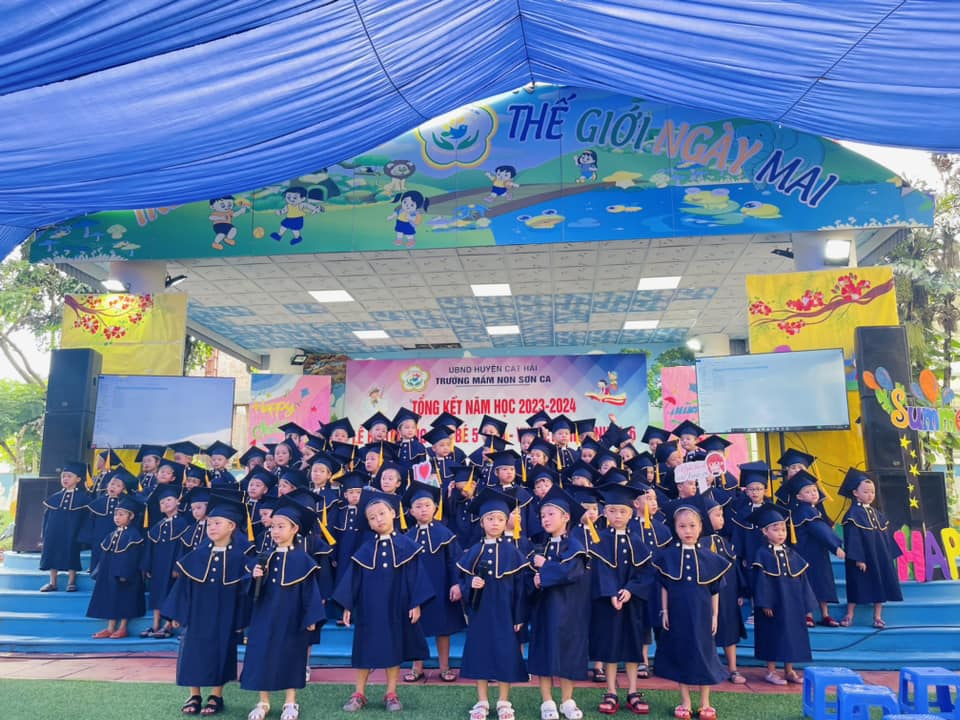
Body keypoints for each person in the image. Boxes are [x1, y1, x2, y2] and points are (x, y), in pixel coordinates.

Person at [333, 489, 434, 713]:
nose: (378, 519)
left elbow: (416, 577)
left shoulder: (408, 546)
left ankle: (391, 693)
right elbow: (353, 579)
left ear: (393, 513)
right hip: (368, 608)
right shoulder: (365, 549)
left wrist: (416, 602)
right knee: (364, 648)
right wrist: (348, 605)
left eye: (382, 513)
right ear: (368, 523)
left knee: (393, 646)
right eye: (372, 517)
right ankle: (359, 693)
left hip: (397, 606)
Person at [162, 494, 253, 716]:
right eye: (210, 523)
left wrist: (241, 620)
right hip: (197, 614)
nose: (211, 527)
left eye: (217, 523)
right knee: (193, 651)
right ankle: (194, 695)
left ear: (231, 526)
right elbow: (183, 587)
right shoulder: (197, 555)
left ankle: (216, 696)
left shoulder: (241, 559)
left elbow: (244, 593)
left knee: (221, 652)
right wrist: (178, 614)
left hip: (225, 615)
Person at [240, 497, 327, 720]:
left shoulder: (303, 560)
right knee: (262, 654)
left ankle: (290, 702)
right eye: (273, 527)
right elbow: (249, 589)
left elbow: (310, 592)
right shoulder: (264, 557)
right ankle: (263, 702)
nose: (275, 531)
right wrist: (254, 577)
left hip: (292, 616)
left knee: (292, 656)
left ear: (294, 529)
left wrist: (311, 618)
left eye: (281, 526)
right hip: (264, 615)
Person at [457, 488, 531, 720]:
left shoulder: (513, 552)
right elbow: (462, 582)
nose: (495, 523)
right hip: (481, 613)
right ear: (482, 522)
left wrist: (519, 616)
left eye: (500, 518)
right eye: (490, 519)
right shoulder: (474, 551)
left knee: (505, 654)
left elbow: (521, 588)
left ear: (506, 521)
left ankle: (503, 701)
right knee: (481, 653)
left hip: (506, 613)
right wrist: (471, 584)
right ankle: (482, 701)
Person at [652, 504, 731, 720]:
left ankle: (705, 702)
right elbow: (665, 587)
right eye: (682, 526)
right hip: (678, 615)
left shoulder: (711, 558)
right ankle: (685, 701)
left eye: (692, 526)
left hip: (703, 615)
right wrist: (665, 611)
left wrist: (714, 615)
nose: (688, 530)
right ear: (675, 528)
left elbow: (715, 591)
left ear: (700, 527)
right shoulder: (668, 557)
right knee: (682, 654)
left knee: (705, 655)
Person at [528, 486, 591, 720]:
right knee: (545, 654)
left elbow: (570, 573)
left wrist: (545, 568)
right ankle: (547, 701)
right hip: (545, 610)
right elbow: (529, 578)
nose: (545, 519)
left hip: (570, 610)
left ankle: (567, 701)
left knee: (568, 655)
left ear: (566, 517)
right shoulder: (539, 547)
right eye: (542, 515)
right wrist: (534, 582)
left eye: (551, 514)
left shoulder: (574, 546)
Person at [590, 484, 653, 716]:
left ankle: (633, 691)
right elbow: (600, 571)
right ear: (605, 512)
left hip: (632, 603)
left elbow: (646, 572)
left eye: (623, 511)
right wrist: (612, 594)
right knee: (611, 646)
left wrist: (630, 590)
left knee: (633, 645)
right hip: (608, 603)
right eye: (613, 511)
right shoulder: (600, 541)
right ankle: (611, 691)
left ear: (631, 512)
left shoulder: (637, 541)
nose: (618, 516)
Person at [402, 480, 466, 683]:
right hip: (416, 590)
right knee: (416, 627)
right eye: (418, 506)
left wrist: (456, 583)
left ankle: (444, 667)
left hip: (441, 587)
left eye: (427, 505)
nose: (423, 509)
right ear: (411, 511)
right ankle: (417, 667)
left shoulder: (445, 534)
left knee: (443, 629)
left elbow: (454, 561)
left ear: (435, 508)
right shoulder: (407, 537)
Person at [748, 503, 817, 685]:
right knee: (772, 635)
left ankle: (789, 670)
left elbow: (802, 580)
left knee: (791, 636)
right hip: (774, 605)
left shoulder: (791, 553)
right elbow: (761, 582)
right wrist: (764, 603)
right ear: (765, 531)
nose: (781, 533)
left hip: (792, 604)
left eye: (783, 530)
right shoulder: (762, 554)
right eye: (776, 529)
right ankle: (771, 671)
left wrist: (807, 604)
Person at [838, 468, 903, 629]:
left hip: (879, 557)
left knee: (880, 584)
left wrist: (889, 554)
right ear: (855, 493)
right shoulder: (853, 514)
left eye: (872, 492)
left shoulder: (877, 514)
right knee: (856, 584)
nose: (870, 495)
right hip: (863, 558)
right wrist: (858, 558)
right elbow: (853, 538)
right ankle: (850, 614)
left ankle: (877, 616)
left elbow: (886, 535)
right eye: (866, 492)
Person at [785, 470, 846, 627]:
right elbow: (820, 530)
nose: (813, 493)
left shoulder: (811, 509)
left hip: (816, 553)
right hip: (808, 553)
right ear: (799, 497)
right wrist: (835, 546)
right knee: (812, 582)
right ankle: (811, 615)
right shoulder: (806, 511)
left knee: (820, 582)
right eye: (807, 491)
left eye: (814, 490)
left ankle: (823, 615)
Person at [86, 494, 146, 639]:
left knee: (125, 599)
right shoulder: (112, 534)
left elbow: (133, 558)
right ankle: (110, 628)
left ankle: (123, 628)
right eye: (115, 514)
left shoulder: (134, 535)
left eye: (121, 514)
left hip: (126, 575)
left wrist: (125, 573)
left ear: (131, 516)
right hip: (110, 573)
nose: (117, 517)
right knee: (111, 599)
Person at [141, 485, 190, 639]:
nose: (165, 503)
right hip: (158, 565)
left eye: (169, 500)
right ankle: (155, 624)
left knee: (170, 592)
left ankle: (167, 625)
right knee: (156, 593)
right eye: (162, 502)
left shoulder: (183, 523)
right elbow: (149, 548)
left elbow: (184, 547)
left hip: (172, 565)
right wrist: (147, 566)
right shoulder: (158, 526)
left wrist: (178, 566)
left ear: (177, 502)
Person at [39, 461, 92, 592]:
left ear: (78, 479)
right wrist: (44, 534)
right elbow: (47, 518)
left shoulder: (83, 499)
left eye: (69, 476)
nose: (65, 479)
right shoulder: (55, 498)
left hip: (72, 532)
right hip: (54, 531)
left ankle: (71, 581)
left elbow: (86, 519)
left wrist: (83, 535)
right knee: (52, 552)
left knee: (71, 553)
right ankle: (53, 582)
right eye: (63, 476)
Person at [86, 467, 138, 572]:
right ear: (107, 485)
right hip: (99, 532)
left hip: (116, 531)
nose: (113, 487)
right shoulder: (98, 501)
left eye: (118, 485)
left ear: (123, 489)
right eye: (112, 484)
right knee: (98, 549)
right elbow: (91, 520)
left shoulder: (126, 502)